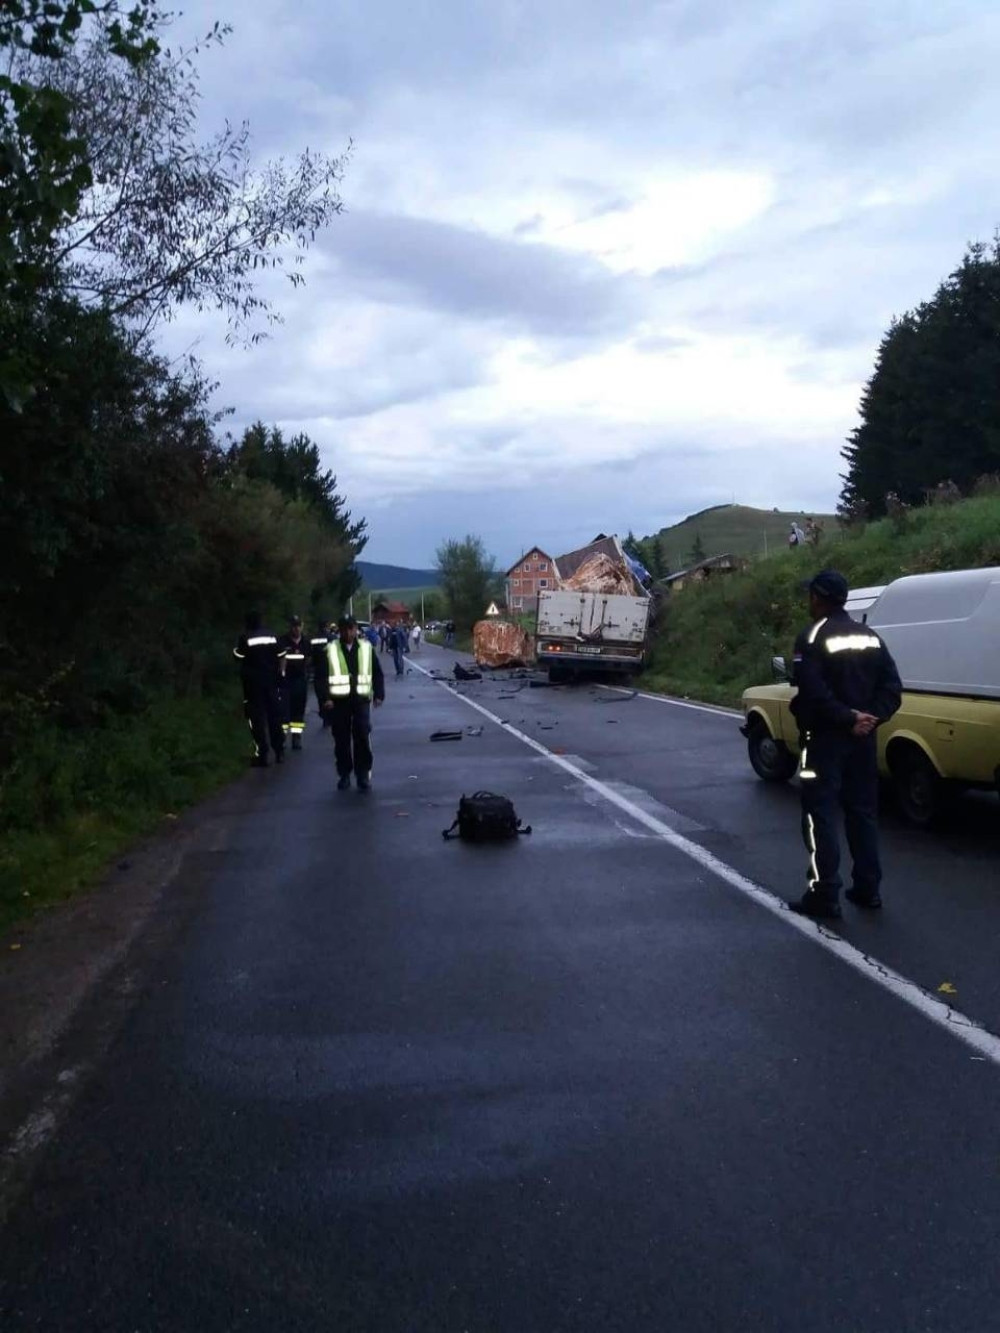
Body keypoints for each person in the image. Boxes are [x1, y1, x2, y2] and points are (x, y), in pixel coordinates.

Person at [788, 569, 902, 920]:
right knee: (863, 813)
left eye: (811, 595)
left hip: (824, 740)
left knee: (819, 814)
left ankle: (825, 894)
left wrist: (848, 718)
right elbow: (892, 689)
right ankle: (868, 890)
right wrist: (870, 719)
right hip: (863, 742)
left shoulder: (811, 637)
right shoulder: (870, 637)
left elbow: (812, 692)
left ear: (818, 598)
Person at [318, 615, 385, 790]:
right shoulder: (330, 649)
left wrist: (379, 694)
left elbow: (377, 672)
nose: (348, 632)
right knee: (341, 739)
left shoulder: (365, 647)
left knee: (362, 735)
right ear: (339, 630)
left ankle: (362, 775)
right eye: (344, 629)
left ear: (356, 629)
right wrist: (325, 698)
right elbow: (321, 677)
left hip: (361, 699)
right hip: (339, 702)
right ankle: (344, 774)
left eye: (351, 628)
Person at [233, 611, 285, 768]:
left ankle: (263, 754)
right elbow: (282, 654)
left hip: (253, 685)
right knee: (274, 718)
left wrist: (234, 651)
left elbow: (239, 656)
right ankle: (279, 751)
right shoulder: (271, 635)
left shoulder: (245, 637)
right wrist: (280, 674)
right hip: (271, 682)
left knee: (257, 720)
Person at [277, 615, 309, 750]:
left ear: (302, 626)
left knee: (298, 711)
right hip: (285, 681)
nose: (296, 629)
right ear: (290, 627)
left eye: (298, 626)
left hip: (300, 681)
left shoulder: (306, 642)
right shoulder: (282, 642)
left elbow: (310, 659)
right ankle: (281, 738)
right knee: (284, 711)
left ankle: (296, 737)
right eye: (293, 626)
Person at [310, 619, 333, 728]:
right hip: (330, 669)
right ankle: (329, 716)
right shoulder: (331, 638)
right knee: (330, 693)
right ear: (327, 626)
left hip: (318, 670)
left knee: (320, 694)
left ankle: (324, 715)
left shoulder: (313, 639)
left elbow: (311, 654)